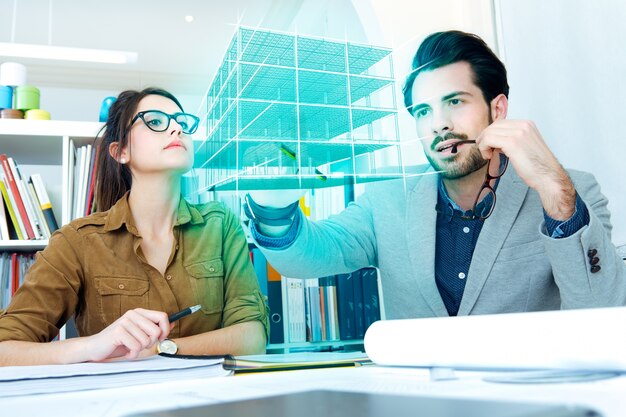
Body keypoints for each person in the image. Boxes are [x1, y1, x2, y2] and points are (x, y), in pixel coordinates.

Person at [245, 30, 626, 320]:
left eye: (455, 102)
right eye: (423, 111)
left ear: (498, 108)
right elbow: (308, 258)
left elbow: (600, 310)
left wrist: (553, 189)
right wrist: (273, 207)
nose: (439, 124)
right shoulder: (387, 198)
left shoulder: (570, 192)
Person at [0, 87, 268, 366]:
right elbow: (5, 350)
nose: (176, 128)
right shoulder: (76, 242)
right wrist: (92, 346)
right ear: (120, 151)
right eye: (155, 121)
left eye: (182, 122)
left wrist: (160, 348)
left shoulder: (220, 225)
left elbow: (252, 337)